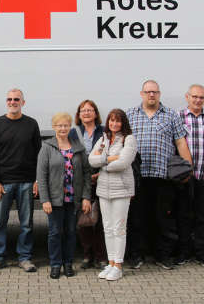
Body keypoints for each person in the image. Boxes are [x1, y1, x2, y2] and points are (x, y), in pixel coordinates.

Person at [125, 79, 193, 270]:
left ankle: (162, 255)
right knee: (137, 218)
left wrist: (188, 168)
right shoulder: (130, 115)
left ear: (159, 94)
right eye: (148, 92)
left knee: (163, 218)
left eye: (154, 92)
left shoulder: (171, 115)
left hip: (163, 177)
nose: (151, 95)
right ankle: (136, 255)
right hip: (137, 177)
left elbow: (180, 143)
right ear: (142, 94)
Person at [0, 88, 42, 273]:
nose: (12, 102)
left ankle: (24, 258)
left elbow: (38, 155)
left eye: (16, 99)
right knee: (0, 222)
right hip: (3, 184)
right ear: (6, 102)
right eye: (9, 99)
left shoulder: (32, 124)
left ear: (23, 102)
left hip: (26, 182)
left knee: (26, 224)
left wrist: (37, 180)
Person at [37, 112, 93, 279]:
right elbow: (41, 176)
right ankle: (55, 264)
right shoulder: (47, 147)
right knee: (54, 232)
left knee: (70, 231)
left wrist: (86, 197)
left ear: (70, 127)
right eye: (59, 125)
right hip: (54, 200)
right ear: (54, 127)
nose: (63, 128)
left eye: (66, 125)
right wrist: (45, 199)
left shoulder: (78, 148)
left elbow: (86, 174)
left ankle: (67, 263)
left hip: (73, 199)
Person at [89, 108, 137, 282]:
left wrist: (103, 165)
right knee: (107, 228)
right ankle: (110, 263)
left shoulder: (128, 139)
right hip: (103, 190)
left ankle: (118, 265)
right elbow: (91, 160)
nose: (114, 124)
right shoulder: (103, 138)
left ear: (123, 123)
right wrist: (108, 159)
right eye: (111, 120)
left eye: (118, 121)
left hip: (121, 190)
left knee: (119, 229)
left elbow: (123, 163)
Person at [179, 84, 204, 268]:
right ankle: (184, 252)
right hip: (185, 177)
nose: (197, 100)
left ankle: (202, 253)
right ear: (187, 97)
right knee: (184, 216)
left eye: (201, 97)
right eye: (194, 96)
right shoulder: (178, 117)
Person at [68, 99, 107, 270]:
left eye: (90, 110)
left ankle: (101, 257)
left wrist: (101, 173)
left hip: (101, 178)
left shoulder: (104, 131)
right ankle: (87, 255)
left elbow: (110, 153)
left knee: (99, 220)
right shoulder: (73, 133)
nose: (86, 113)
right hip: (80, 181)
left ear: (96, 113)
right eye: (83, 110)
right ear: (79, 115)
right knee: (84, 220)